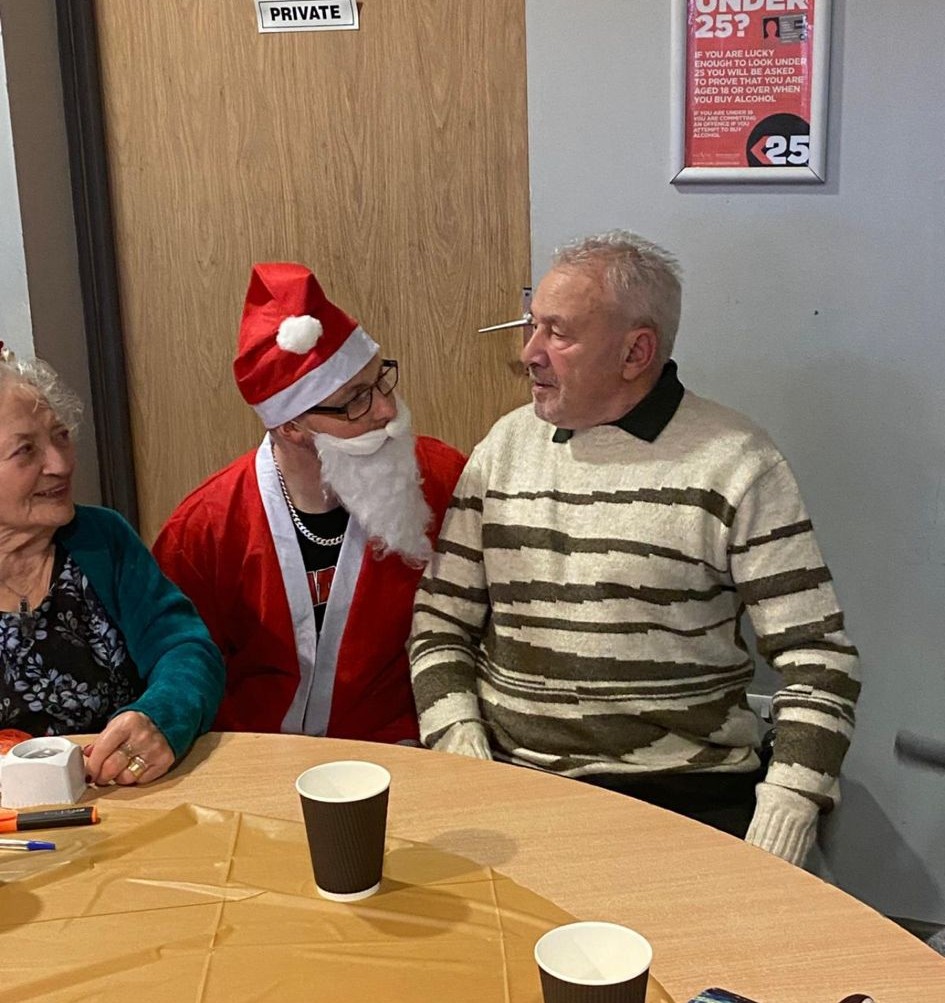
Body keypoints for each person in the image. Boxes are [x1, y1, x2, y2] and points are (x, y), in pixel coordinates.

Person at [410, 230, 860, 866]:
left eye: (557, 334)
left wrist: (783, 818)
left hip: (683, 796)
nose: (528, 353)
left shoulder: (737, 465)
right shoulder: (503, 447)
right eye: (532, 325)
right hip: (514, 781)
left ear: (635, 352)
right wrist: (462, 750)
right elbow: (439, 624)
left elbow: (819, 661)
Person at [154, 262, 465, 743]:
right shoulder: (206, 528)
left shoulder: (442, 479)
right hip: (254, 755)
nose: (387, 410)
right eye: (356, 399)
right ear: (291, 426)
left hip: (402, 752)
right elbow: (175, 662)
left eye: (381, 380)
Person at [0, 345, 224, 785]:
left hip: (127, 796)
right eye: (26, 450)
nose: (60, 464)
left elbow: (185, 649)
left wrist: (160, 717)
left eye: (60, 435)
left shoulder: (101, 538)